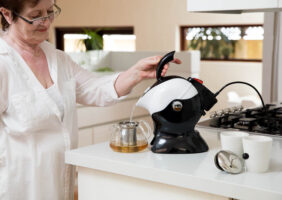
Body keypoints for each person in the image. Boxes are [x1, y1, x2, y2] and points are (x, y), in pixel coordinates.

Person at [0, 0, 181, 199]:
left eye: (50, 12)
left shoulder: (58, 58)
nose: (45, 22)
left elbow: (95, 89)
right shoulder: (4, 64)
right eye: (35, 16)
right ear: (8, 15)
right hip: (20, 184)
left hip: (61, 178)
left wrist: (136, 73)